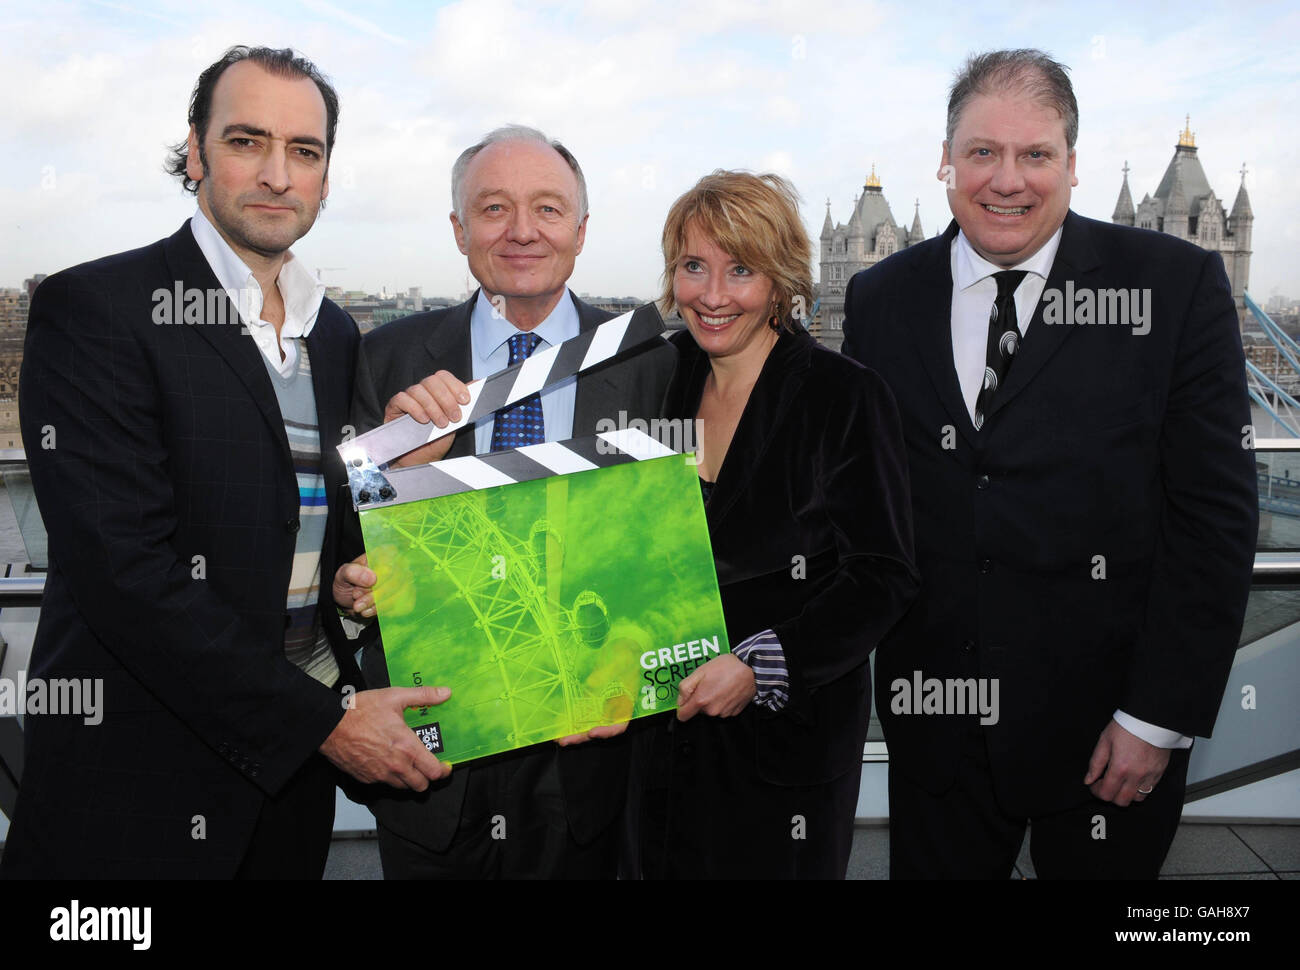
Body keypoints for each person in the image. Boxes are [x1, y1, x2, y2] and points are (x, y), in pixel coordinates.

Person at [0, 46, 451, 881]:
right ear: (196, 151)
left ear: (326, 174)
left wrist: (362, 565)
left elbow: (308, 531)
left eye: (305, 152)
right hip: (139, 785)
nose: (278, 174)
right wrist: (323, 723)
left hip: (290, 795)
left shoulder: (337, 334)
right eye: (248, 141)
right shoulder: (95, 309)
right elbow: (124, 574)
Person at [841, 49, 1258, 878]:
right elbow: (857, 493)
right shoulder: (880, 297)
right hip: (937, 732)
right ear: (948, 162)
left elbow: (1213, 516)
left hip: (1110, 734)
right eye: (983, 153)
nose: (1008, 180)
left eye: (1035, 154)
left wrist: (1156, 718)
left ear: (1072, 165)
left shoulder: (1173, 285)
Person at [342, 125, 676, 879]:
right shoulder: (385, 355)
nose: (522, 231)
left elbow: (675, 547)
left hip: (592, 760)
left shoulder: (653, 360)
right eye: (494, 209)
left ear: (582, 232)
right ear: (459, 231)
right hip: (440, 756)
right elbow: (348, 533)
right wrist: (355, 576)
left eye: (549, 210)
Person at [627, 171, 919, 879]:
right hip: (659, 745)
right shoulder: (661, 379)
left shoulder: (844, 393)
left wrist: (762, 666)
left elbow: (882, 574)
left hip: (783, 748)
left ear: (782, 279)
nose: (713, 294)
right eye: (693, 266)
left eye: (741, 269)